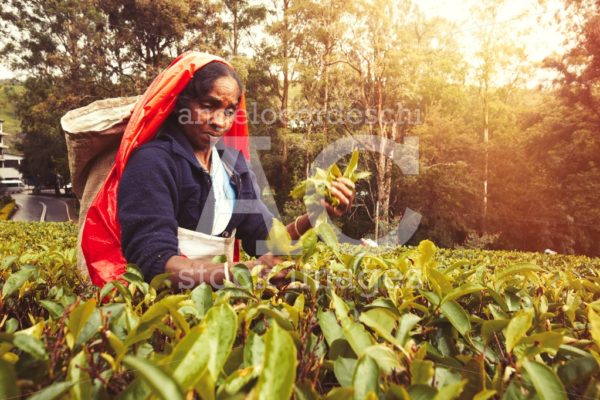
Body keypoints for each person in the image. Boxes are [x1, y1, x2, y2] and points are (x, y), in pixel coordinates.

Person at [113, 54, 356, 288]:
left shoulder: (233, 166)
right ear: (180, 106)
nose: (220, 122)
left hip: (219, 307)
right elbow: (153, 262)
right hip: (165, 315)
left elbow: (267, 242)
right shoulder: (153, 163)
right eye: (209, 106)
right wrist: (241, 273)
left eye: (229, 111)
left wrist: (316, 214)